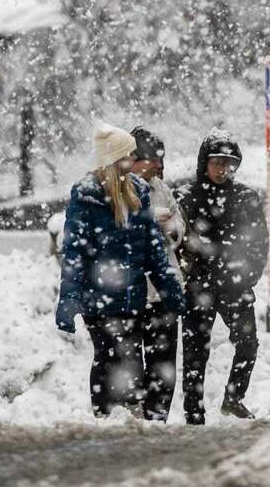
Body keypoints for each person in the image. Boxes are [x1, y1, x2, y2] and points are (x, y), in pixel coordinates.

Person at [55, 123, 187, 418]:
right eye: (127, 156)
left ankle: (128, 421)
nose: (133, 161)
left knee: (130, 365)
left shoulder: (138, 192)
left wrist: (171, 291)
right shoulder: (86, 197)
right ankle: (106, 416)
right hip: (99, 299)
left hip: (132, 299)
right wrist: (68, 301)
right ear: (112, 160)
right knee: (108, 359)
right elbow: (74, 254)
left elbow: (154, 251)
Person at [176, 130, 267, 423]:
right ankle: (194, 412)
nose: (222, 168)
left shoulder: (246, 197)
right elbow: (178, 242)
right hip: (198, 286)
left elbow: (259, 243)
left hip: (235, 285)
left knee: (248, 342)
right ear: (204, 162)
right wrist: (188, 276)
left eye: (229, 163)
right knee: (195, 352)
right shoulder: (187, 197)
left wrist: (247, 277)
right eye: (216, 162)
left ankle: (234, 398)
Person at [130, 126, 186, 422]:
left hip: (162, 288)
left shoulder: (162, 189)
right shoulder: (118, 189)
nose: (160, 165)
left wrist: (173, 230)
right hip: (131, 288)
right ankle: (132, 416)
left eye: (161, 159)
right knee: (129, 360)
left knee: (163, 361)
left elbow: (179, 228)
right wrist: (150, 224)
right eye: (154, 159)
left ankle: (158, 416)